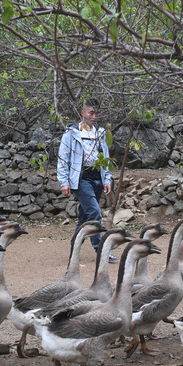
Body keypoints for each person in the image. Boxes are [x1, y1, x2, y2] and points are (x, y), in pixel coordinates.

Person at [57, 98, 113, 259]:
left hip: (97, 177)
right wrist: (64, 182)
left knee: (85, 216)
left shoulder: (101, 133)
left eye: (97, 113)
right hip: (81, 178)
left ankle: (74, 247)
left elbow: (106, 157)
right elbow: (63, 158)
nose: (94, 116)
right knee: (95, 213)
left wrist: (107, 179)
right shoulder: (71, 133)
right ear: (83, 113)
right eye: (91, 113)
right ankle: (100, 249)